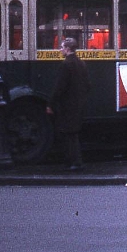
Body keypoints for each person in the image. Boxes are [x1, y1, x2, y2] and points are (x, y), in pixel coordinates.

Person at [46, 37, 90, 170]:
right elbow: (88, 85)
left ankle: (73, 162)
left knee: (67, 134)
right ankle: (74, 161)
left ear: (68, 49)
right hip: (78, 103)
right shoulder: (81, 63)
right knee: (73, 133)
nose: (60, 50)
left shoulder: (65, 65)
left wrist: (50, 104)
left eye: (62, 47)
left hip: (67, 104)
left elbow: (59, 87)